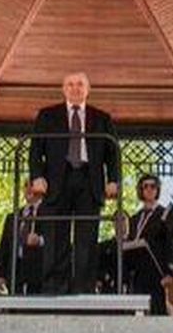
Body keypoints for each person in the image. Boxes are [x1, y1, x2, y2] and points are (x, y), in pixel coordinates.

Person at [28, 72, 121, 294]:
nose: (75, 88)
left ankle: (84, 288)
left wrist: (113, 180)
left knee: (86, 238)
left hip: (89, 181)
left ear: (88, 89)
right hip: (56, 181)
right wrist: (37, 177)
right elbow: (35, 150)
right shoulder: (47, 116)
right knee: (55, 235)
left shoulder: (102, 118)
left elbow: (113, 153)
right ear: (64, 89)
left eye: (80, 84)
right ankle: (54, 288)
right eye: (70, 84)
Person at [125, 175, 173, 315]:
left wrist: (169, 272)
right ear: (141, 190)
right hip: (138, 271)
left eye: (153, 186)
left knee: (157, 309)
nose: (149, 189)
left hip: (157, 270)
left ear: (157, 190)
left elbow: (170, 243)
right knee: (138, 310)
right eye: (145, 186)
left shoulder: (164, 214)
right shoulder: (134, 218)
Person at [0, 180, 47, 295]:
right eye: (26, 186)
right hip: (15, 271)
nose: (28, 189)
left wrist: (40, 240)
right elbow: (4, 247)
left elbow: (56, 240)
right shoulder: (12, 217)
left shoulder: (48, 214)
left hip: (38, 270)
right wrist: (1, 275)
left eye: (32, 185)